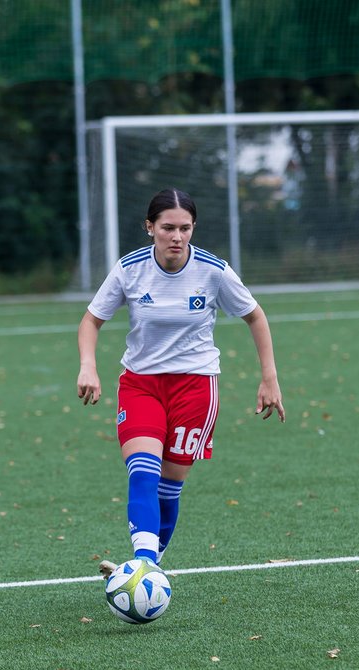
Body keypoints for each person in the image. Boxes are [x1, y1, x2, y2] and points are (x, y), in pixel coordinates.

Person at [77, 188, 285, 577]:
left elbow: (255, 316)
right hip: (140, 385)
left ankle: (147, 565)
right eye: (168, 227)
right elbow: (91, 319)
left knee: (169, 488)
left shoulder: (213, 271)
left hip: (195, 388)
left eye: (185, 228)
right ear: (149, 227)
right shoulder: (130, 268)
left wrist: (268, 378)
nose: (177, 236)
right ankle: (144, 565)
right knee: (142, 470)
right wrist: (88, 365)